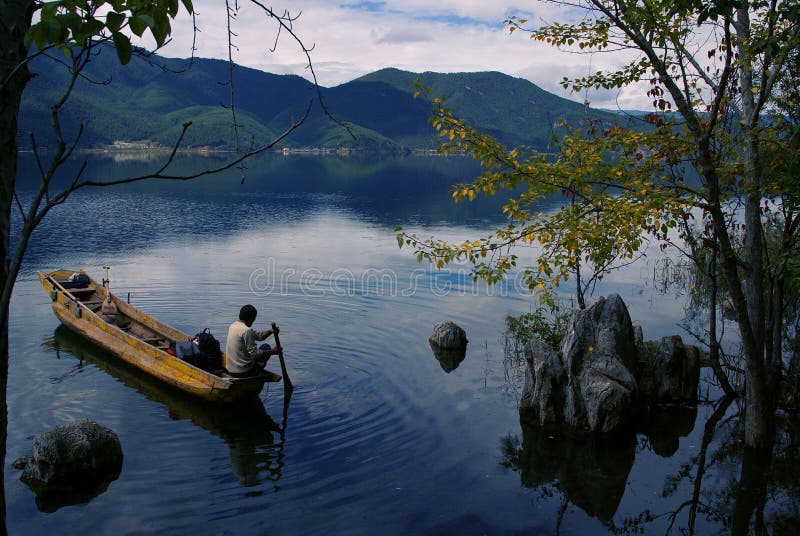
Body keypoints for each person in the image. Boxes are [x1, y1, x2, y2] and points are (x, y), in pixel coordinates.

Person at [226, 304, 282, 378]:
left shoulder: (233, 326)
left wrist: (271, 331)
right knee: (266, 347)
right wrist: (273, 352)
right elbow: (255, 354)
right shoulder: (246, 330)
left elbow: (259, 336)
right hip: (243, 372)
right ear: (252, 319)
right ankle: (256, 371)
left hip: (230, 369)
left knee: (263, 348)